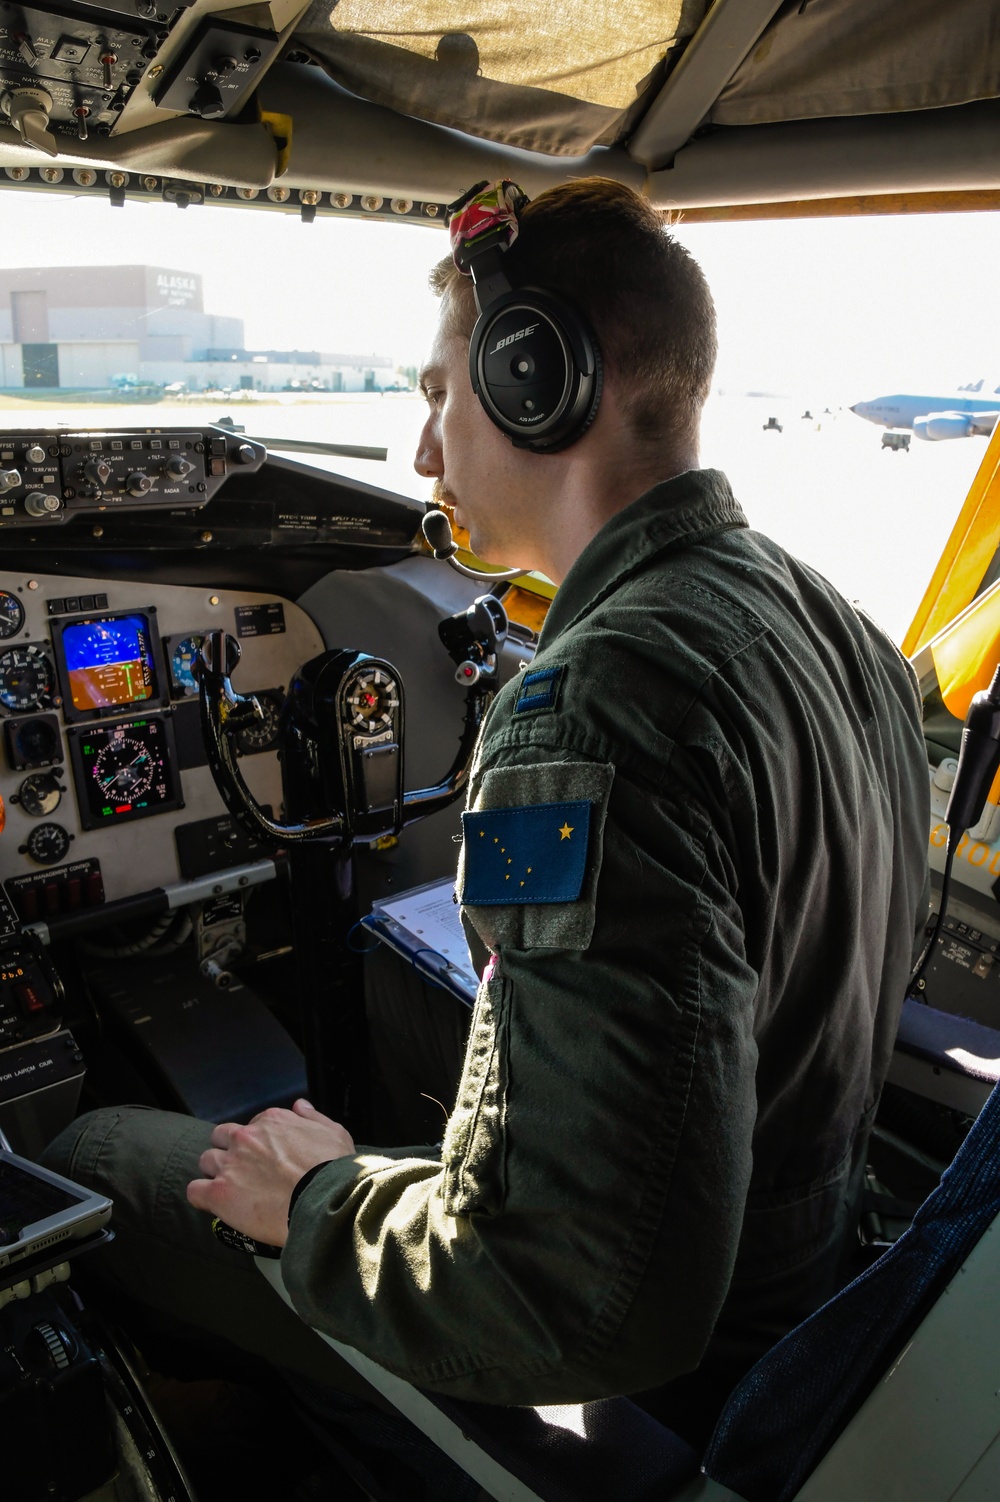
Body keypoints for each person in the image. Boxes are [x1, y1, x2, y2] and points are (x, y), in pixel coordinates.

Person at [43, 178, 930, 1452]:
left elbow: (574, 1294)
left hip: (671, 1365)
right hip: (801, 1270)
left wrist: (312, 1199)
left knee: (92, 1150)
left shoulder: (589, 711)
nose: (420, 451)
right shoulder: (830, 617)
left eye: (438, 394)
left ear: (538, 380)